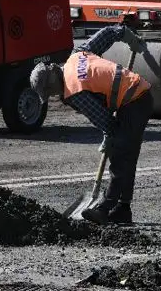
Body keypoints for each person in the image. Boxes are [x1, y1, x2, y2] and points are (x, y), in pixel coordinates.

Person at [29, 25, 153, 225]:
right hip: (135, 96)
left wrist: (109, 137)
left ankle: (104, 208)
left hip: (134, 101)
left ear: (52, 83)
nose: (54, 96)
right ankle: (122, 209)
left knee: (121, 155)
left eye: (51, 92)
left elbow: (105, 121)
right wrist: (127, 36)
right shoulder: (76, 56)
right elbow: (108, 34)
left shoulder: (74, 91)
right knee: (127, 153)